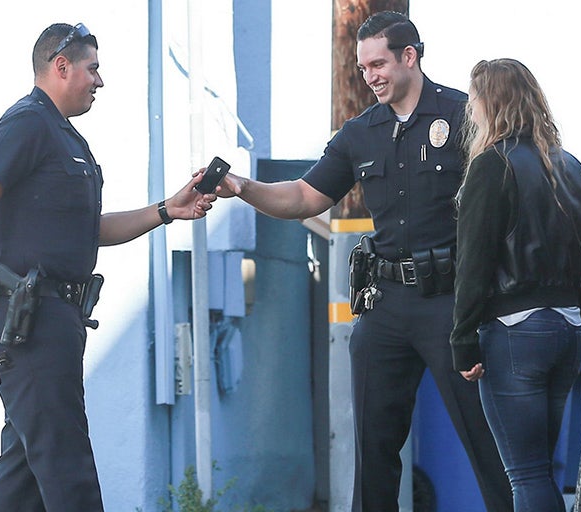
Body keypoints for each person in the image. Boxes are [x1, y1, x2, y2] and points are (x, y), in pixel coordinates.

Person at [216, 11, 512, 512]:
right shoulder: (360, 132)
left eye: (378, 64)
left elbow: (505, 197)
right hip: (387, 303)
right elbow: (305, 197)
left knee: (486, 442)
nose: (369, 76)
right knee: (373, 447)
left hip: (453, 303)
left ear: (409, 57)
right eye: (362, 68)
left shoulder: (463, 116)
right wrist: (244, 189)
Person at [0, 23, 216, 511]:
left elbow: (88, 228)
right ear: (61, 67)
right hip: (27, 319)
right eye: (92, 68)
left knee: (25, 469)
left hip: (57, 318)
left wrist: (168, 209)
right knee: (66, 464)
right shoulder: (28, 124)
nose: (100, 80)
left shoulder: (63, 136)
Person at [450, 58, 581, 512]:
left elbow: (473, 263)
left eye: (473, 99)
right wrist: (572, 313)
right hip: (567, 329)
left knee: (526, 475)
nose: (469, 109)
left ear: (490, 103)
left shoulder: (493, 165)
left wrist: (463, 342)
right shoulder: (571, 167)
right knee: (542, 470)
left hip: (514, 333)